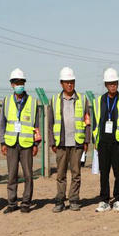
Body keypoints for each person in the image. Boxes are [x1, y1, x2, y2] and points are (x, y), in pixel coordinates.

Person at [48, 67, 91, 213]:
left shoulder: (82, 99)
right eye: (67, 82)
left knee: (76, 174)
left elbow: (87, 122)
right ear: (61, 83)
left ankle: (74, 200)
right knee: (60, 174)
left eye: (72, 81)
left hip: (77, 143)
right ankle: (60, 201)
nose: (70, 84)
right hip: (61, 143)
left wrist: (86, 141)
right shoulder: (54, 100)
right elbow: (50, 124)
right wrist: (52, 142)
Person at [0, 68, 40, 214]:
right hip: (11, 143)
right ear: (12, 84)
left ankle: (26, 203)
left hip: (27, 144)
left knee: (28, 175)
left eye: (21, 82)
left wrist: (36, 144)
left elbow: (36, 125)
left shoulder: (33, 102)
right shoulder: (6, 101)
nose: (19, 85)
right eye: (16, 83)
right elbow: (2, 124)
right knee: (12, 175)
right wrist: (2, 142)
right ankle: (12, 203)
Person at [93, 68, 119, 213]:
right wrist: (95, 141)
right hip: (103, 143)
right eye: (110, 83)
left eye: (115, 83)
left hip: (118, 143)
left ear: (118, 83)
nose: (113, 85)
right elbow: (95, 122)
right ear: (105, 85)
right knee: (104, 173)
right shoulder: (98, 101)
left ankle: (117, 200)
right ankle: (104, 200)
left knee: (118, 173)